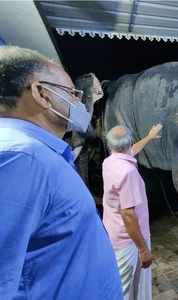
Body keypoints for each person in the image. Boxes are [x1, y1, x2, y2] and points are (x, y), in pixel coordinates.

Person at [0, 46, 122, 299]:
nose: (78, 103)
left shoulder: (37, 154)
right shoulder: (20, 157)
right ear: (41, 93)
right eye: (72, 94)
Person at [103, 124, 162, 300]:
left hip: (115, 233)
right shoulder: (128, 172)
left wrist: (149, 137)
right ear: (127, 143)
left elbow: (130, 150)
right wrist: (143, 249)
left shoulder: (110, 161)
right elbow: (128, 215)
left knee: (132, 285)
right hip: (130, 240)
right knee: (125, 289)